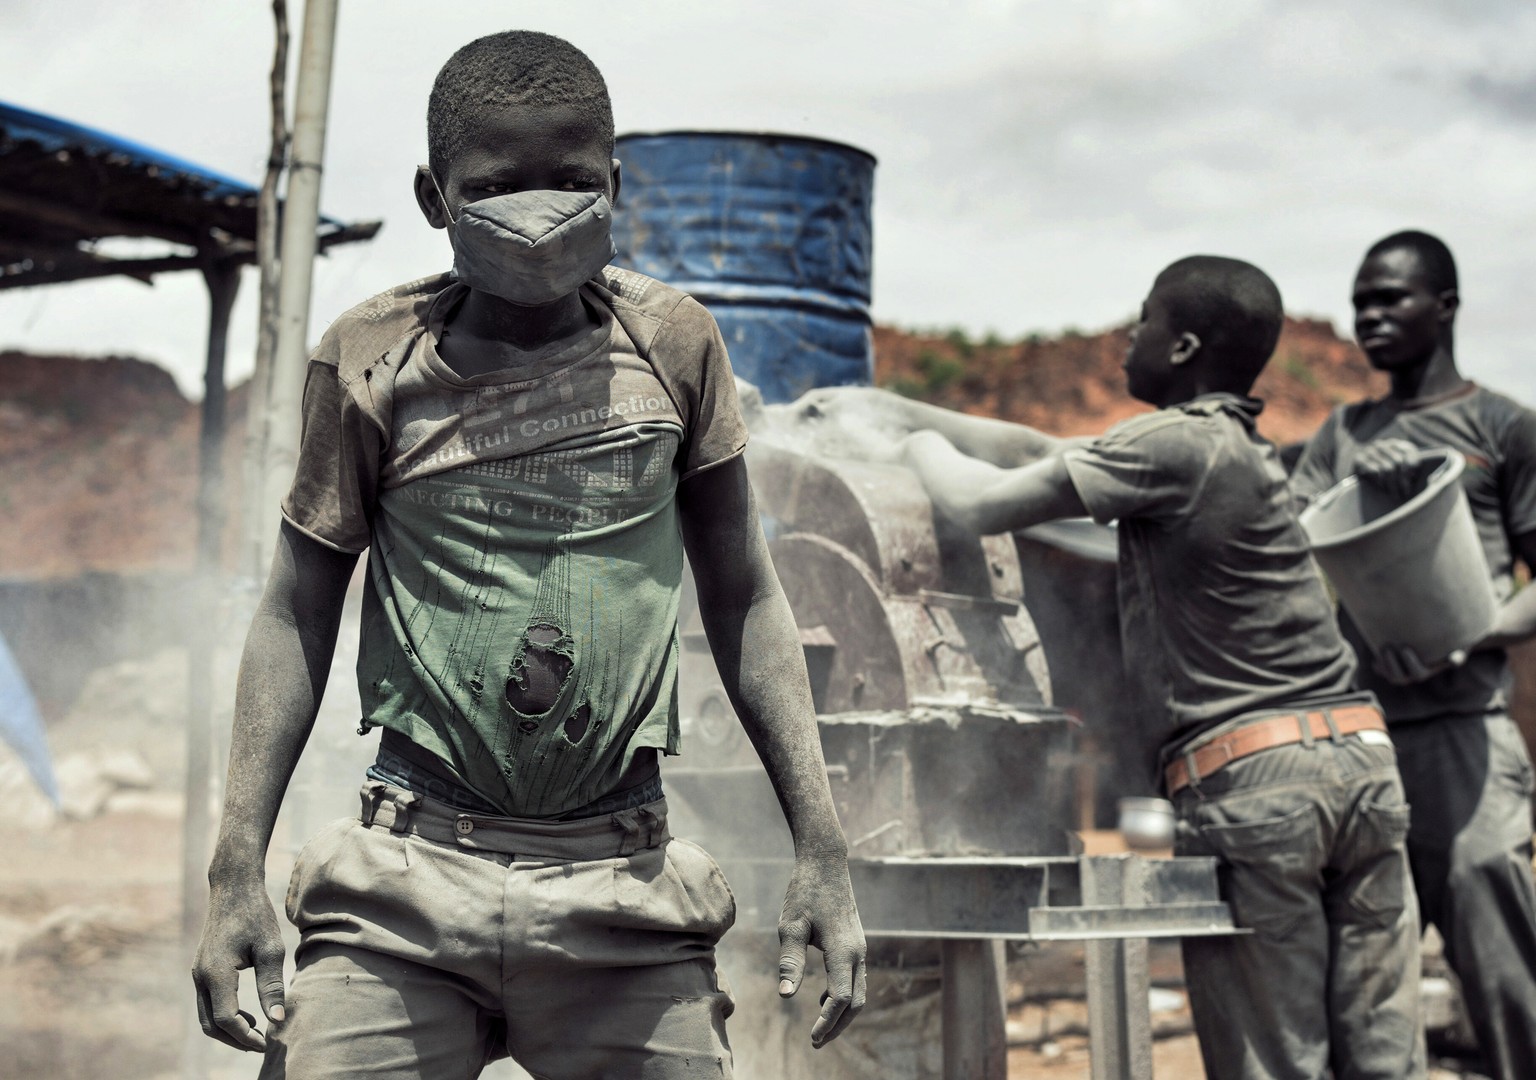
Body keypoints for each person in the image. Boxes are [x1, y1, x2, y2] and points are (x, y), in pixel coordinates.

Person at [190, 30, 865, 1079]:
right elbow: (296, 607)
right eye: (499, 184)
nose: (541, 210)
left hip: (624, 890)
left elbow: (744, 595)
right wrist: (237, 867)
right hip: (404, 882)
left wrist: (822, 847)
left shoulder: (674, 344)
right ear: (433, 195)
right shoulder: (372, 355)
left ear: (618, 184)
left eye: (574, 180)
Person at [806, 255, 1425, 1079]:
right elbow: (1038, 449)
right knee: (1387, 1061)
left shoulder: (1172, 444)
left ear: (1183, 347)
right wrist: (882, 407)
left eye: (1144, 323)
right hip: (1362, 770)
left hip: (1263, 786)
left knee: (1280, 1063)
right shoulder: (1227, 447)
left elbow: (982, 502)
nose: (1129, 338)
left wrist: (914, 444)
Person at [1291, 230, 1536, 1080]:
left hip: (1464, 734)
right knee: (1369, 988)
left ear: (1447, 306)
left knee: (1503, 963)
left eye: (1390, 298)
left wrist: (1473, 633)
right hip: (1361, 742)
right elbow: (1293, 549)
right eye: (1360, 302)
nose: (1369, 317)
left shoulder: (1502, 427)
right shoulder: (1342, 433)